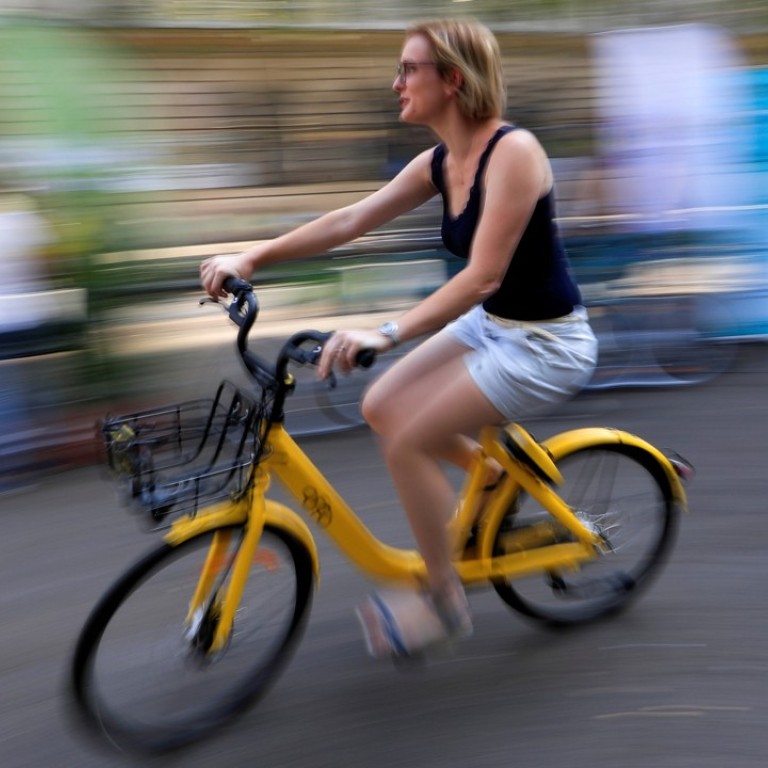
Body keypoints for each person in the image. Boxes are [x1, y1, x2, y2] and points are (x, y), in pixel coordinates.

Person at [201, 19, 598, 658]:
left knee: (409, 442)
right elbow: (351, 219)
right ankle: (491, 477)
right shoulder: (440, 161)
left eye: (408, 69)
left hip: (546, 343)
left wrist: (385, 333)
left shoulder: (515, 153)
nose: (396, 83)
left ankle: (444, 600)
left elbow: (483, 276)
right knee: (380, 406)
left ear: (453, 80)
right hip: (493, 324)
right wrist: (254, 257)